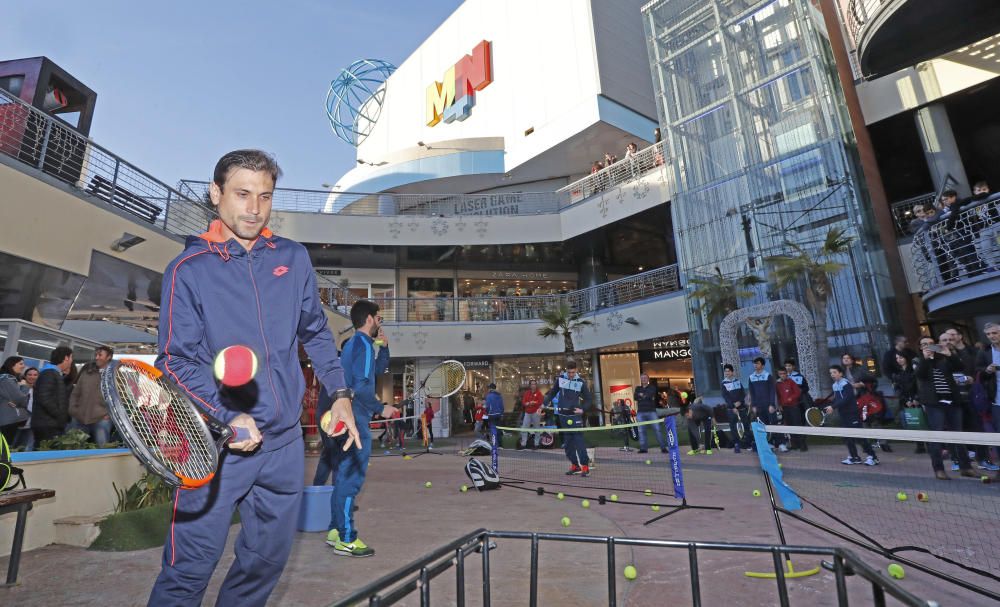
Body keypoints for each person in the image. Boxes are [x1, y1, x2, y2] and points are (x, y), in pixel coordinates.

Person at [147, 149, 360, 606]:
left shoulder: (292, 257)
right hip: (213, 448)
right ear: (216, 193)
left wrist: (340, 393)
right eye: (242, 194)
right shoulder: (189, 270)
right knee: (188, 572)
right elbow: (174, 362)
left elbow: (316, 332)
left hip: (283, 447)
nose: (254, 208)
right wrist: (227, 416)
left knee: (263, 567)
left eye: (264, 196)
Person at [328, 300, 393, 558]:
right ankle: (346, 538)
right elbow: (364, 387)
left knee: (342, 477)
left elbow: (374, 372)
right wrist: (381, 408)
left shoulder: (353, 345)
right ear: (369, 319)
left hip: (344, 420)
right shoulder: (364, 345)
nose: (380, 324)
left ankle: (335, 530)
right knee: (351, 479)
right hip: (357, 421)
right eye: (378, 319)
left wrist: (385, 350)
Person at [915, 334, 976, 480]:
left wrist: (949, 355)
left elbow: (960, 367)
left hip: (952, 401)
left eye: (931, 343)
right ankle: (939, 469)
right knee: (937, 435)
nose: (928, 346)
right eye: (924, 344)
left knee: (958, 435)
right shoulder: (918, 361)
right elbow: (920, 375)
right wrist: (925, 358)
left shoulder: (944, 358)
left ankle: (966, 467)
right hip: (934, 404)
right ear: (920, 347)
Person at [544, 361, 593, 477]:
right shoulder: (561, 379)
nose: (571, 375)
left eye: (573, 372)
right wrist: (544, 403)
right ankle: (574, 465)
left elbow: (589, 399)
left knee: (579, 442)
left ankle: (585, 467)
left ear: (576, 370)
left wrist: (582, 409)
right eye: (569, 372)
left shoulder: (580, 382)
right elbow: (552, 393)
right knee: (567, 443)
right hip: (562, 416)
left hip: (575, 416)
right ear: (566, 370)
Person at [825, 365, 878, 466]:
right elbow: (837, 399)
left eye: (834, 372)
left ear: (840, 373)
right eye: (831, 373)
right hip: (843, 414)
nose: (832, 375)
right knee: (847, 436)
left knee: (859, 436)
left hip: (852, 414)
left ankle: (873, 457)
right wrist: (831, 406)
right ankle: (855, 457)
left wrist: (834, 406)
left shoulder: (846, 384)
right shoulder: (835, 385)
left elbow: (846, 399)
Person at [67, 345, 114, 446]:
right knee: (73, 448)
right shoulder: (87, 372)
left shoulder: (115, 376)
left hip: (102, 419)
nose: (97, 357)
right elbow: (76, 393)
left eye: (100, 355)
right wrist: (73, 410)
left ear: (109, 357)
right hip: (79, 417)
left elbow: (121, 399)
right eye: (96, 355)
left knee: (102, 448)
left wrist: (109, 414)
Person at [32, 346, 74, 444]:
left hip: (49, 423)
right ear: (66, 358)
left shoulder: (53, 373)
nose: (71, 361)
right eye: (71, 357)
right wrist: (60, 415)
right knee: (44, 455)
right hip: (47, 424)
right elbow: (45, 398)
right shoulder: (49, 374)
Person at [747, 357, 776, 448]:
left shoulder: (768, 376)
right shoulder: (751, 377)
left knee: (773, 424)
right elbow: (752, 392)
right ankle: (767, 443)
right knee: (762, 425)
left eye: (758, 363)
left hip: (768, 405)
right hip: (758, 406)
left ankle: (779, 443)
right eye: (754, 363)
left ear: (762, 365)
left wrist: (772, 404)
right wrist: (754, 405)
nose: (755, 365)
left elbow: (772, 391)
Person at [633, 373, 666, 454]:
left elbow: (649, 395)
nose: (643, 379)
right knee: (641, 431)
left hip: (651, 411)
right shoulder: (638, 388)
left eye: (645, 378)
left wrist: (641, 395)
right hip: (640, 412)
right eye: (642, 378)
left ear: (648, 379)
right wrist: (643, 395)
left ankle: (663, 448)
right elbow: (635, 397)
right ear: (640, 379)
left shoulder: (652, 387)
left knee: (657, 430)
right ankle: (643, 448)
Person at [721, 364, 750, 452]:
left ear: (732, 372)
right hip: (731, 410)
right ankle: (737, 445)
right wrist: (733, 406)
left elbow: (743, 393)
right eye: (725, 371)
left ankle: (747, 444)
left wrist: (740, 402)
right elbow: (725, 397)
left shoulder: (738, 381)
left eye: (729, 371)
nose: (727, 373)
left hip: (741, 408)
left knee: (745, 426)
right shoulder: (723, 383)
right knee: (734, 427)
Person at [0, 356, 29, 444]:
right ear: (11, 365)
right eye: (21, 363)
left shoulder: (5, 378)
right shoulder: (7, 379)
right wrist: (24, 386)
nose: (23, 366)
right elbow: (21, 399)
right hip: (7, 420)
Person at [775, 369, 805, 452]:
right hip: (784, 407)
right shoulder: (777, 384)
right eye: (780, 374)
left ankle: (802, 444)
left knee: (797, 424)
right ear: (778, 374)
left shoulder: (791, 381)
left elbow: (798, 392)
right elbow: (777, 396)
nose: (782, 375)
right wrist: (779, 405)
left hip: (794, 406)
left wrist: (791, 398)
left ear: (786, 374)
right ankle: (794, 444)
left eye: (784, 373)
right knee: (789, 425)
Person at [12, 367, 38, 451]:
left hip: (30, 425)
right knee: (10, 446)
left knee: (21, 449)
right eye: (29, 374)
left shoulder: (39, 390)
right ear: (25, 376)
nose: (32, 377)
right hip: (16, 423)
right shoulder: (19, 387)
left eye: (35, 375)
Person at [518, 380, 544, 450]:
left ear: (536, 385)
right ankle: (523, 444)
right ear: (530, 385)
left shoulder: (539, 393)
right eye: (532, 384)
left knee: (537, 428)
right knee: (524, 428)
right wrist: (528, 403)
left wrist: (534, 403)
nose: (533, 385)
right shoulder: (527, 393)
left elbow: (540, 402)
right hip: (527, 413)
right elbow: (524, 402)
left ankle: (536, 444)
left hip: (536, 412)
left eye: (534, 384)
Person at [484, 383, 504, 449]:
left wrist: (487, 412)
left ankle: (495, 444)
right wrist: (501, 414)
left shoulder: (489, 396)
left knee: (493, 430)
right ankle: (500, 445)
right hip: (499, 414)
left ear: (490, 388)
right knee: (498, 430)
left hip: (492, 415)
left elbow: (487, 406)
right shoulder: (499, 395)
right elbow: (502, 406)